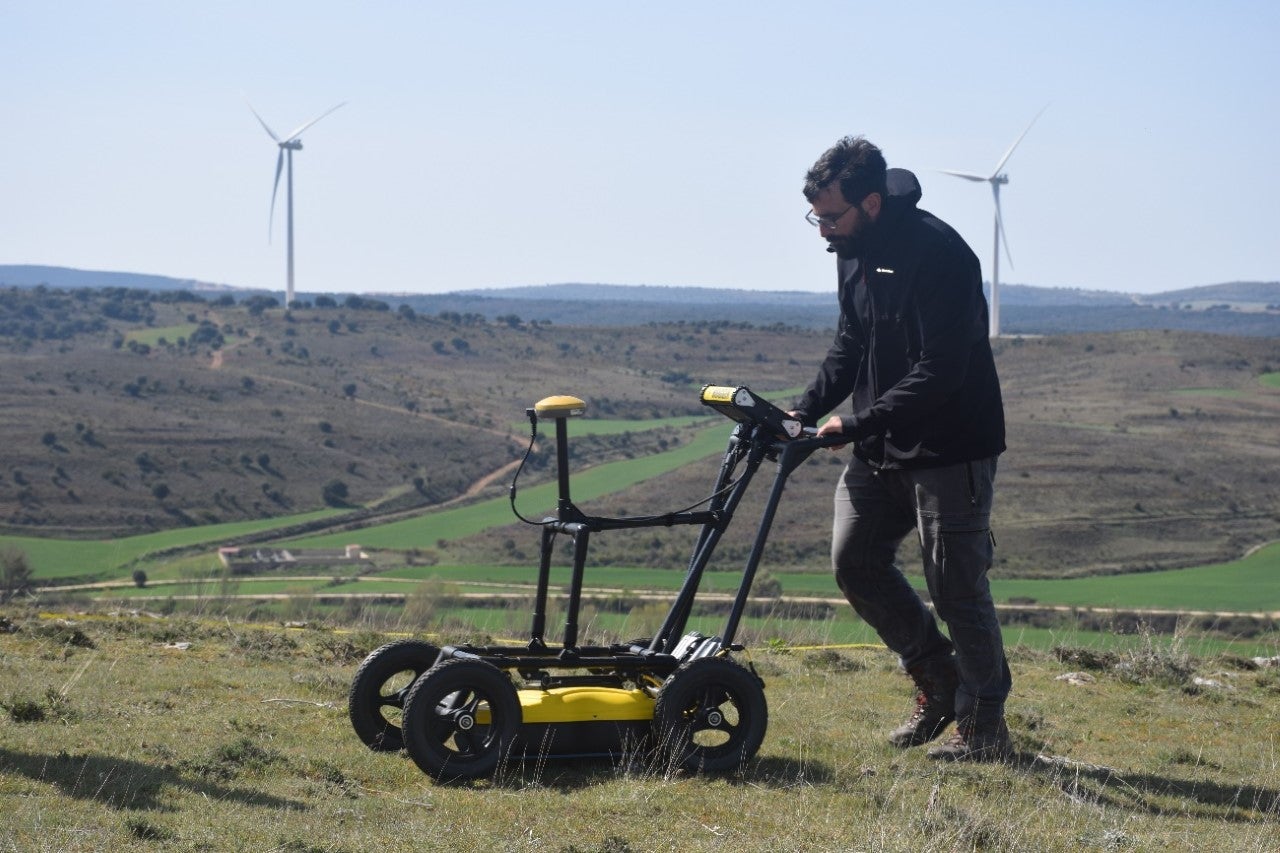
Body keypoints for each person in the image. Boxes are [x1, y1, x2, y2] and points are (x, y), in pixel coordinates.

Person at [789, 136, 1013, 761]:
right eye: (816, 217)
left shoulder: (941, 254)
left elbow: (941, 369)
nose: (822, 231)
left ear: (871, 202)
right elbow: (850, 344)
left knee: (956, 587)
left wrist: (857, 424)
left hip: (950, 445)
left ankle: (984, 727)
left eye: (830, 216)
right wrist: (804, 411)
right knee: (853, 561)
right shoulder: (851, 248)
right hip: (880, 444)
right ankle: (938, 681)